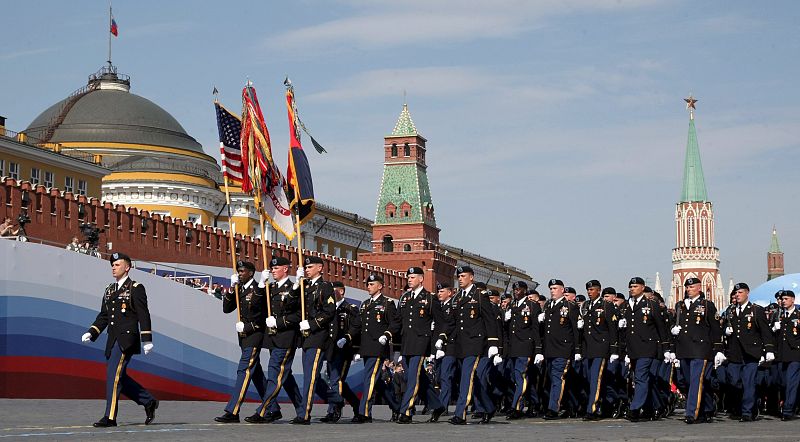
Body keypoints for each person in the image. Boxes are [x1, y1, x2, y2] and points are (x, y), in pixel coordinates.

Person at [80, 252, 158, 427]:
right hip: (112, 339)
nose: (113, 268)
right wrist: (92, 332)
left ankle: (110, 417)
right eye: (112, 265)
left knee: (113, 376)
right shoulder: (109, 290)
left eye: (117, 265)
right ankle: (148, 401)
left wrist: (147, 339)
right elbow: (104, 316)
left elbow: (143, 314)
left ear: (127, 267)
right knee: (118, 377)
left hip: (126, 339)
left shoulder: (136, 288)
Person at [248, 256, 304, 424]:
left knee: (275, 373)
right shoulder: (269, 287)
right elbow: (256, 306)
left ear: (285, 269)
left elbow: (298, 314)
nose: (272, 271)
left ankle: (264, 411)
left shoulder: (294, 287)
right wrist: (259, 284)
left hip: (286, 338)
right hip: (273, 338)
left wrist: (279, 322)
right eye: (271, 269)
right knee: (285, 377)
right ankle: (302, 410)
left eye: (276, 268)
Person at [215, 260, 269, 423]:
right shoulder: (239, 288)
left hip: (255, 334)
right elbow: (226, 309)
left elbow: (262, 312)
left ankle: (233, 411)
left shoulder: (259, 288)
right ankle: (272, 408)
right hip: (244, 337)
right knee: (256, 374)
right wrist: (231, 290)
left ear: (251, 273)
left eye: (242, 271)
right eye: (238, 271)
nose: (239, 273)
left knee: (244, 370)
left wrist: (248, 326)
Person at [448, 266, 501, 425]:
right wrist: (443, 338)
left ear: (471, 277)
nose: (460, 279)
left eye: (463, 276)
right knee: (473, 379)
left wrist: (493, 343)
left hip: (476, 343)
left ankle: (460, 414)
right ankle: (488, 407)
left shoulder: (480, 295)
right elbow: (454, 322)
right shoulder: (457, 297)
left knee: (466, 377)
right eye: (459, 276)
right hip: (461, 344)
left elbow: (489, 319)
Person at [394, 267, 446, 423]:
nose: (409, 279)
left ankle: (406, 411)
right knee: (419, 378)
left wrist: (438, 342)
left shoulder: (430, 298)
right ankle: (437, 405)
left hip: (421, 343)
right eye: (408, 277)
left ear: (421, 279)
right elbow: (398, 321)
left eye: (413, 277)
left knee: (412, 378)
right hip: (406, 343)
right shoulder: (404, 298)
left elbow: (440, 322)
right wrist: (389, 336)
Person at [350, 273, 401, 423]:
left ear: (380, 286)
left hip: (378, 347)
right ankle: (396, 406)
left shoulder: (387, 303)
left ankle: (364, 412)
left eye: (372, 284)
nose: (368, 287)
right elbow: (358, 325)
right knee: (375, 380)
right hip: (366, 347)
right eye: (368, 284)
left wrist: (387, 334)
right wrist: (348, 338)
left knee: (369, 378)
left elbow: (395, 323)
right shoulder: (365, 304)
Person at [292, 255, 336, 425]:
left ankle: (304, 414)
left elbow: (329, 311)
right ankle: (336, 399)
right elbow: (291, 304)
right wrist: (296, 284)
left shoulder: (325, 287)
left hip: (318, 336)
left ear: (320, 268)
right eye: (306, 267)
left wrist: (310, 324)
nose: (307, 269)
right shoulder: (305, 286)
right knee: (310, 377)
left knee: (310, 377)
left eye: (310, 267)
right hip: (306, 337)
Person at [721, 282, 774, 421]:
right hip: (734, 352)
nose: (737, 295)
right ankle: (748, 406)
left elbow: (765, 332)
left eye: (740, 292)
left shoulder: (756, 310)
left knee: (749, 382)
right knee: (734, 381)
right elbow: (725, 327)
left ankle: (747, 411)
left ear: (747, 293)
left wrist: (768, 349)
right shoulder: (731, 311)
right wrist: (725, 331)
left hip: (751, 353)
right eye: (736, 293)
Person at [623, 277, 669, 422]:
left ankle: (635, 408)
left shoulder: (651, 304)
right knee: (645, 379)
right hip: (632, 348)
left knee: (640, 378)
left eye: (635, 286)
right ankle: (651, 408)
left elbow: (661, 327)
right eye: (630, 286)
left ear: (643, 288)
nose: (632, 289)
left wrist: (666, 347)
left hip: (648, 347)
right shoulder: (625, 305)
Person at [540, 279, 581, 420]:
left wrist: (577, 350)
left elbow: (575, 330)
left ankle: (553, 409)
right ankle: (572, 407)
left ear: (562, 290)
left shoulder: (569, 306)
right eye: (551, 288)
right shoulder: (549, 306)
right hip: (550, 349)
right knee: (555, 380)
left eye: (555, 288)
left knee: (558, 379)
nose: (552, 290)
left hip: (563, 349)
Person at [579, 280, 620, 420]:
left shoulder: (606, 306)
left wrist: (614, 350)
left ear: (599, 290)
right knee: (589, 378)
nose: (590, 292)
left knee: (595, 379)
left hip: (600, 348)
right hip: (588, 348)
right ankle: (606, 403)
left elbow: (612, 329)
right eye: (588, 290)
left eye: (592, 290)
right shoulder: (586, 306)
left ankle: (592, 409)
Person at [321, 281, 360, 423]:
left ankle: (334, 410)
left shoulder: (350, 308)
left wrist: (352, 345)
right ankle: (357, 405)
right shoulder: (328, 308)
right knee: (337, 381)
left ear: (342, 292)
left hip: (344, 351)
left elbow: (356, 328)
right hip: (330, 350)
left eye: (334, 290)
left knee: (336, 380)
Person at [504, 281, 543, 420]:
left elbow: (535, 329)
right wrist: (505, 319)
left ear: (525, 290)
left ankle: (516, 407)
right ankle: (534, 402)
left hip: (525, 346)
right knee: (518, 378)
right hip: (513, 347)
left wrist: (538, 349)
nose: (516, 292)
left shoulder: (532, 305)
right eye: (514, 290)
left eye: (519, 289)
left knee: (521, 377)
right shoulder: (511, 305)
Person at [772, 290, 800, 421]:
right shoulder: (778, 316)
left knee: (791, 382)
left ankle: (788, 410)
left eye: (786, 299)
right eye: (782, 299)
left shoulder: (798, 315)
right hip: (781, 355)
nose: (783, 301)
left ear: (793, 300)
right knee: (782, 382)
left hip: (795, 354)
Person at [432, 281, 457, 415]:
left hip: (450, 346)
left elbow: (451, 326)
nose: (439, 293)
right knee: (439, 377)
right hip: (439, 347)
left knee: (445, 376)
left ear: (450, 292)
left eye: (442, 291)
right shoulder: (439, 307)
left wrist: (443, 340)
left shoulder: (452, 306)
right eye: (438, 291)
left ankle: (443, 405)